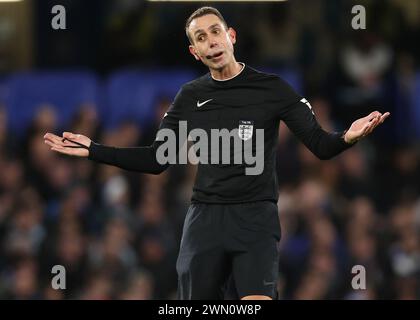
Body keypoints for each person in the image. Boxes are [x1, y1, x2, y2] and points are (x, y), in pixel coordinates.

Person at [44, 6, 389, 300]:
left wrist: (348, 136)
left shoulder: (273, 89)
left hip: (256, 220)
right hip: (205, 222)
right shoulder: (189, 97)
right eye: (201, 38)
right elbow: (156, 160)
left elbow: (320, 145)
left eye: (215, 32)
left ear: (232, 36)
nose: (211, 42)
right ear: (194, 51)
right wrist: (94, 150)